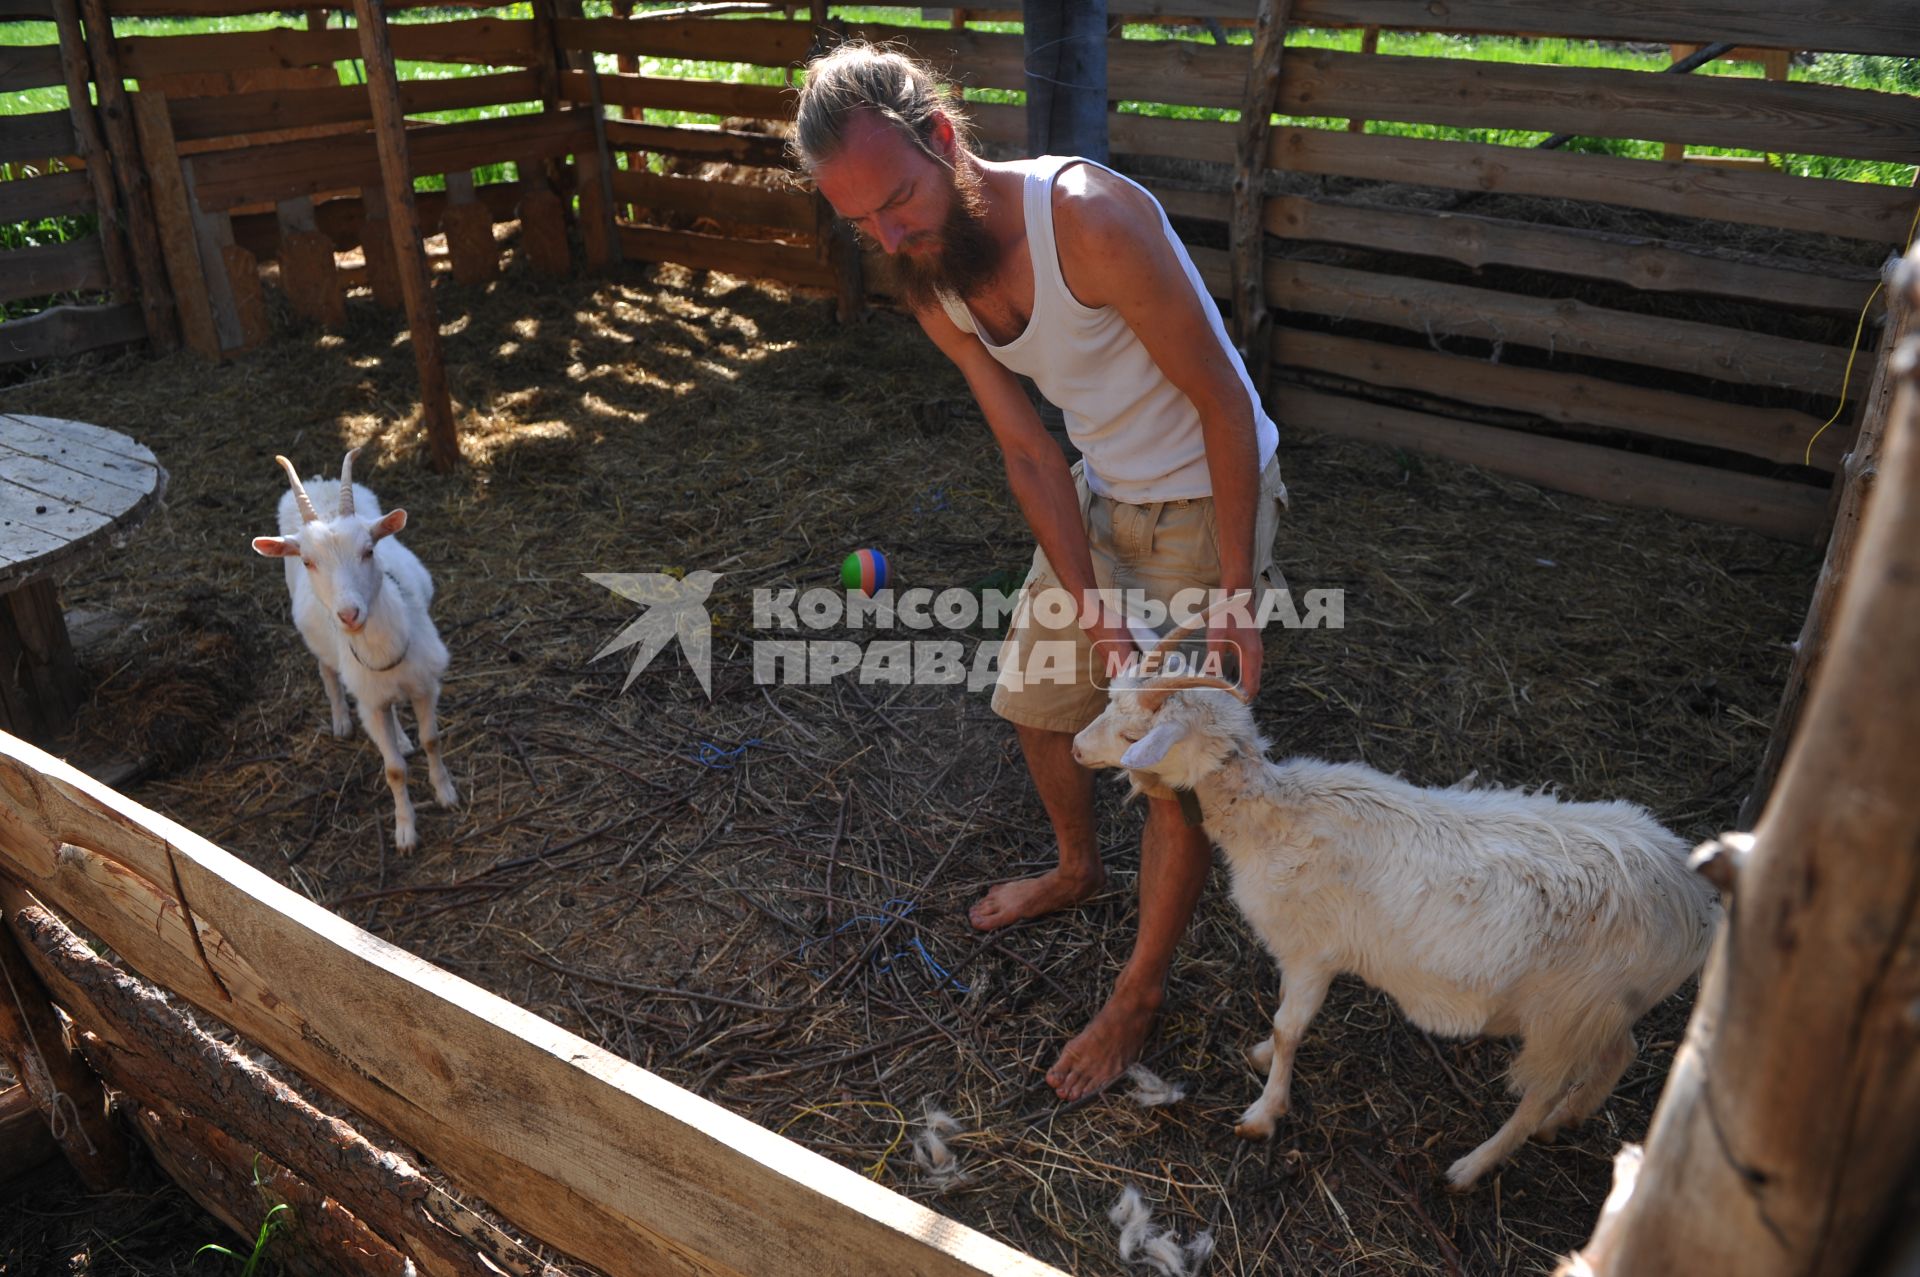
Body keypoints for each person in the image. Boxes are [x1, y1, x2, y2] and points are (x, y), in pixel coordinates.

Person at [795, 43, 1287, 1101]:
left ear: (944, 139)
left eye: (897, 203)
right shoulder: (932, 276)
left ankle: (1139, 995)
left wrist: (1237, 591)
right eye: (862, 224)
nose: (888, 236)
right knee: (1033, 700)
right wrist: (1098, 602)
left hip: (1210, 492)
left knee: (1171, 770)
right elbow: (1026, 448)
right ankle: (1076, 866)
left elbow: (1223, 405)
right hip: (1100, 490)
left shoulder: (1089, 221)